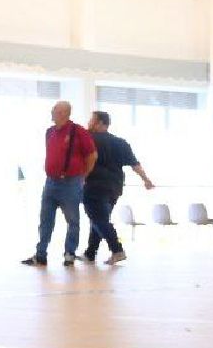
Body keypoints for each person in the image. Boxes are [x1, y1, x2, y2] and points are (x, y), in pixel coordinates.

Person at [22, 100, 97, 267]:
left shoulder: (78, 132)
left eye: (54, 110)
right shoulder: (49, 132)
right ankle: (41, 254)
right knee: (45, 219)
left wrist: (83, 175)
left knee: (72, 220)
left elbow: (92, 156)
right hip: (50, 183)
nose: (51, 112)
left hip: (70, 183)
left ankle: (69, 253)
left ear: (64, 113)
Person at [82, 110, 155, 265]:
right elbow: (135, 164)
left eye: (92, 121)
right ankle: (90, 253)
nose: (89, 123)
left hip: (94, 185)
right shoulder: (120, 142)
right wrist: (146, 180)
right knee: (100, 218)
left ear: (102, 123)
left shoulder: (88, 139)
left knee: (98, 219)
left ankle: (117, 250)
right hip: (114, 188)